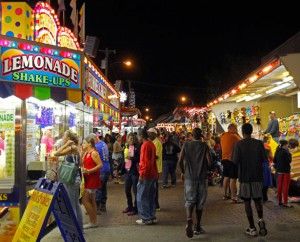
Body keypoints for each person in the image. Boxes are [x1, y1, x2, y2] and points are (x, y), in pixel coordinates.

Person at [232, 123, 267, 237]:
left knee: (247, 202)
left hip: (245, 178)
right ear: (251, 131)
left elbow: (235, 161)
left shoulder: (239, 144)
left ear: (242, 132)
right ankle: (261, 219)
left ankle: (252, 228)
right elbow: (264, 159)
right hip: (257, 176)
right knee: (258, 200)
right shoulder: (259, 143)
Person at [179, 128, 211, 238]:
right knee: (200, 202)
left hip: (189, 177)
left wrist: (183, 172)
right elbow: (209, 161)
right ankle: (197, 226)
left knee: (189, 201)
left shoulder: (186, 145)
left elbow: (180, 161)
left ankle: (189, 220)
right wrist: (208, 169)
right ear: (201, 135)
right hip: (202, 177)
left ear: (192, 135)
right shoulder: (204, 145)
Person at [53, 130, 83, 231]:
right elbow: (80, 163)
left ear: (69, 138)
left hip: (71, 179)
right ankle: (80, 228)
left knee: (71, 205)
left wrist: (66, 144)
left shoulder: (71, 147)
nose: (63, 137)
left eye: (65, 136)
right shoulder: (77, 147)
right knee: (76, 204)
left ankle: (74, 230)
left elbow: (56, 153)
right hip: (76, 178)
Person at [136, 129, 158, 225]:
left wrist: (141, 174)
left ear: (141, 136)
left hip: (146, 175)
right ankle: (151, 216)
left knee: (142, 196)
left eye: (138, 136)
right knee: (150, 196)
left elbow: (145, 162)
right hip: (152, 173)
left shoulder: (145, 145)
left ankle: (145, 217)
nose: (137, 138)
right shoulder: (151, 144)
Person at [81, 136, 103, 229]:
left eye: (84, 143)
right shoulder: (86, 153)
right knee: (91, 200)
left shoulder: (94, 153)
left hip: (92, 180)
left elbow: (100, 165)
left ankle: (92, 221)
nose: (83, 144)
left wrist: (89, 171)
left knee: (85, 200)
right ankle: (94, 221)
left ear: (90, 143)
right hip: (87, 179)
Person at [89, 133, 111, 213]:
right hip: (107, 168)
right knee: (103, 188)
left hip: (101, 170)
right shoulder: (103, 144)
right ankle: (103, 206)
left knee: (98, 189)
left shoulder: (96, 147)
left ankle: (96, 208)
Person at [220, 123, 241, 202]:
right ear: (232, 128)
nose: (236, 130)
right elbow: (242, 142)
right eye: (235, 128)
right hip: (231, 159)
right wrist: (237, 134)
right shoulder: (234, 136)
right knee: (233, 178)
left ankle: (225, 195)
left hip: (224, 159)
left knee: (226, 177)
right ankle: (234, 197)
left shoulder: (223, 135)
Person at [122, 133, 140, 216]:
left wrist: (132, 158)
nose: (131, 140)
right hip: (127, 171)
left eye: (133, 138)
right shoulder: (126, 147)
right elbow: (124, 159)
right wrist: (120, 169)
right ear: (127, 140)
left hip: (134, 172)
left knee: (135, 191)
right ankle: (129, 206)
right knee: (127, 190)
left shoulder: (137, 148)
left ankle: (136, 208)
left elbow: (139, 159)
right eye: (130, 138)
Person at [273, 139, 292, 208]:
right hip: (286, 171)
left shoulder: (277, 151)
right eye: (287, 145)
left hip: (279, 171)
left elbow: (274, 160)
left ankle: (280, 201)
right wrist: (290, 153)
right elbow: (289, 161)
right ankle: (285, 202)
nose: (288, 146)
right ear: (285, 145)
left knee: (279, 186)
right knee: (285, 187)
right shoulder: (286, 152)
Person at [147, 127, 163, 211]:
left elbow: (156, 156)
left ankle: (156, 205)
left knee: (154, 187)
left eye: (149, 134)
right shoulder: (153, 142)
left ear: (154, 134)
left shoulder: (157, 143)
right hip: (154, 167)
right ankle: (154, 204)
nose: (148, 135)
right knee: (153, 187)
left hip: (156, 168)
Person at [262, 135, 273, 202]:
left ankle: (261, 197)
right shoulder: (268, 146)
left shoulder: (259, 146)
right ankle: (265, 197)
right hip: (266, 164)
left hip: (259, 165)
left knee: (261, 181)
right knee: (266, 181)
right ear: (268, 140)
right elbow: (271, 156)